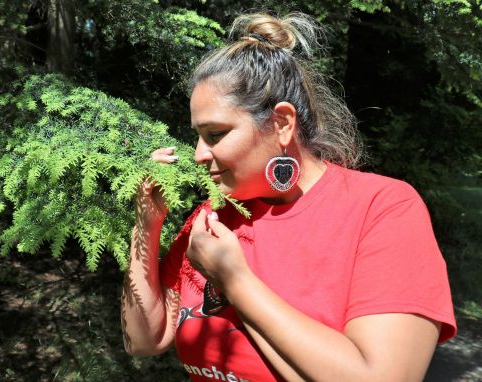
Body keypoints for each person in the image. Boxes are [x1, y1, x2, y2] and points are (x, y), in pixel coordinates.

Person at [120, 12, 456, 382]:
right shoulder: (215, 218)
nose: (198, 152)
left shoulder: (381, 209)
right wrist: (146, 223)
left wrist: (234, 281)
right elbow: (143, 339)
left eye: (215, 134)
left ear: (281, 124)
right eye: (198, 136)